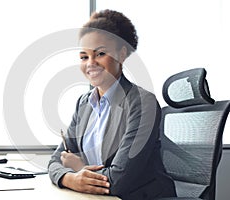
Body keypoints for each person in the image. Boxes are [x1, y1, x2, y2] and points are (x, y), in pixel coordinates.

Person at [48, 9, 176, 199]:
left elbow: (118, 181)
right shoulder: (84, 104)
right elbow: (54, 161)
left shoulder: (142, 102)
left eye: (100, 53)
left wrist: (79, 168)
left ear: (121, 54)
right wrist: (70, 179)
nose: (90, 63)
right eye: (84, 57)